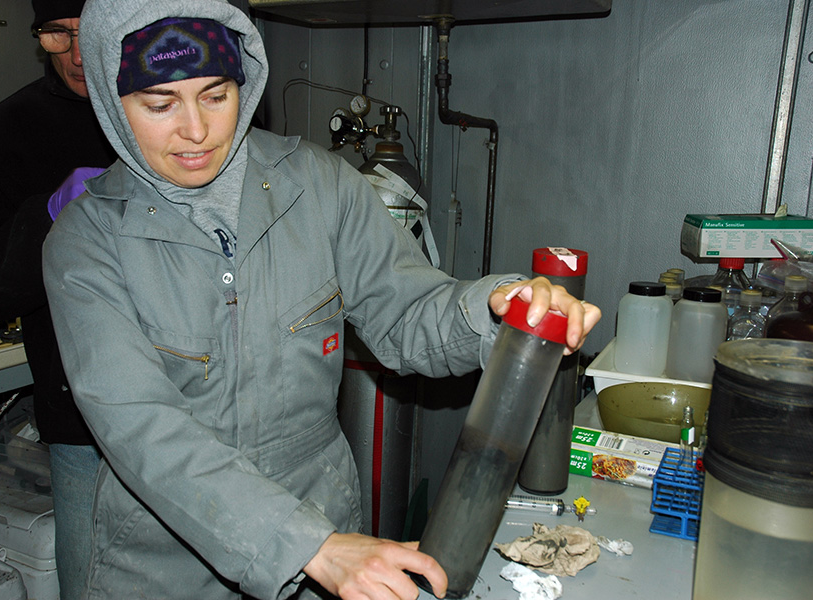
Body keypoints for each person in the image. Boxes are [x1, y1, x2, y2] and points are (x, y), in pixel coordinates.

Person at [42, 1, 601, 599]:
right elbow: (142, 428)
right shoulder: (86, 242)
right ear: (110, 99)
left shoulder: (320, 186)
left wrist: (498, 309)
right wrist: (306, 545)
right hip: (162, 566)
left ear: (245, 81)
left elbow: (407, 310)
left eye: (215, 94)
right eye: (159, 105)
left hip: (321, 540)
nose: (196, 130)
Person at [0, 1, 118, 598]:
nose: (73, 53)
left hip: (205, 412)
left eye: (86, 33)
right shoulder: (5, 136)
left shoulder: (178, 111)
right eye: (55, 35)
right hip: (84, 431)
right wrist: (45, 215)